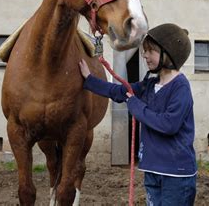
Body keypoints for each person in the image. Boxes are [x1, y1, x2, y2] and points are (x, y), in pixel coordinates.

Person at [79, 23, 196, 205]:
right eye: (145, 51)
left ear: (168, 54)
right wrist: (89, 80)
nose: (145, 55)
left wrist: (135, 105)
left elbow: (168, 125)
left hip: (176, 174)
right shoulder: (149, 84)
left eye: (151, 51)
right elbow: (119, 92)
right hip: (152, 169)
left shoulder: (180, 87)